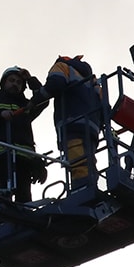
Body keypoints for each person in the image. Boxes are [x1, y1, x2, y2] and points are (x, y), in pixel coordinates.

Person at [0, 66, 49, 203]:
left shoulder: (26, 105)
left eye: (19, 82)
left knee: (24, 199)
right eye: (11, 80)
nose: (15, 84)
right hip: (1, 157)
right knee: (3, 198)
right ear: (3, 83)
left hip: (25, 159)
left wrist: (30, 79)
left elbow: (43, 99)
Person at [28, 55, 104, 192]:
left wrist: (34, 101)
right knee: (88, 161)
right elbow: (104, 105)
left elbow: (55, 85)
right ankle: (91, 188)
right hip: (92, 128)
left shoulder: (62, 66)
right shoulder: (92, 80)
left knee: (78, 163)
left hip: (72, 124)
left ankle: (83, 191)